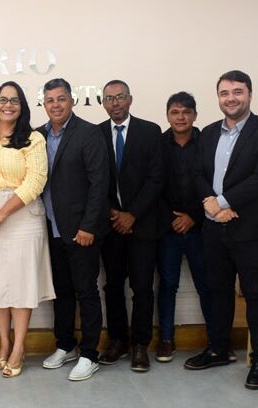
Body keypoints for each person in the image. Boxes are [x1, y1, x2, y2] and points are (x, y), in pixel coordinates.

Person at [185, 70, 258, 390]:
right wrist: (211, 205)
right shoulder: (208, 132)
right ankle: (218, 349)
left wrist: (223, 202)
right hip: (214, 226)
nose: (231, 98)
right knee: (218, 290)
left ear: (250, 94)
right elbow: (197, 173)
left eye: (237, 92)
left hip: (249, 226)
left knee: (254, 292)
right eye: (225, 93)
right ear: (218, 97)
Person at [0, 81, 54, 378]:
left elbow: (36, 181)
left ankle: (19, 347)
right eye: (3, 100)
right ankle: (3, 343)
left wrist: (2, 213)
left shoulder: (34, 139)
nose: (8, 105)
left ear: (22, 106)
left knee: (20, 283)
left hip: (22, 217)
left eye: (14, 101)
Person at [36, 78, 109, 381]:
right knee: (61, 292)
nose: (56, 105)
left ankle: (90, 354)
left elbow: (99, 183)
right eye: (50, 100)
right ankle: (65, 345)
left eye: (61, 99)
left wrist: (89, 226)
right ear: (44, 104)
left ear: (72, 101)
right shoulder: (37, 135)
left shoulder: (88, 133)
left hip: (81, 231)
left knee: (86, 291)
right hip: (51, 228)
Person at [98, 80, 163, 372]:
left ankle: (140, 345)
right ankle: (118, 340)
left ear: (130, 99)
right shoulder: (96, 134)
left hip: (143, 224)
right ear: (103, 103)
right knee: (113, 286)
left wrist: (132, 214)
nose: (115, 103)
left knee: (142, 287)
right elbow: (93, 180)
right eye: (109, 98)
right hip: (110, 225)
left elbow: (156, 178)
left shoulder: (150, 132)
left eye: (120, 97)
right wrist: (113, 212)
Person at [155, 92, 213, 363]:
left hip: (202, 226)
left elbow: (216, 183)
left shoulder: (208, 142)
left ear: (195, 115)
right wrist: (171, 218)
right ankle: (166, 339)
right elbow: (151, 185)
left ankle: (217, 341)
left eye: (186, 112)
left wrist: (194, 217)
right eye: (175, 112)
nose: (181, 117)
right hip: (167, 228)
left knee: (207, 284)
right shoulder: (157, 144)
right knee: (168, 285)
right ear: (167, 115)